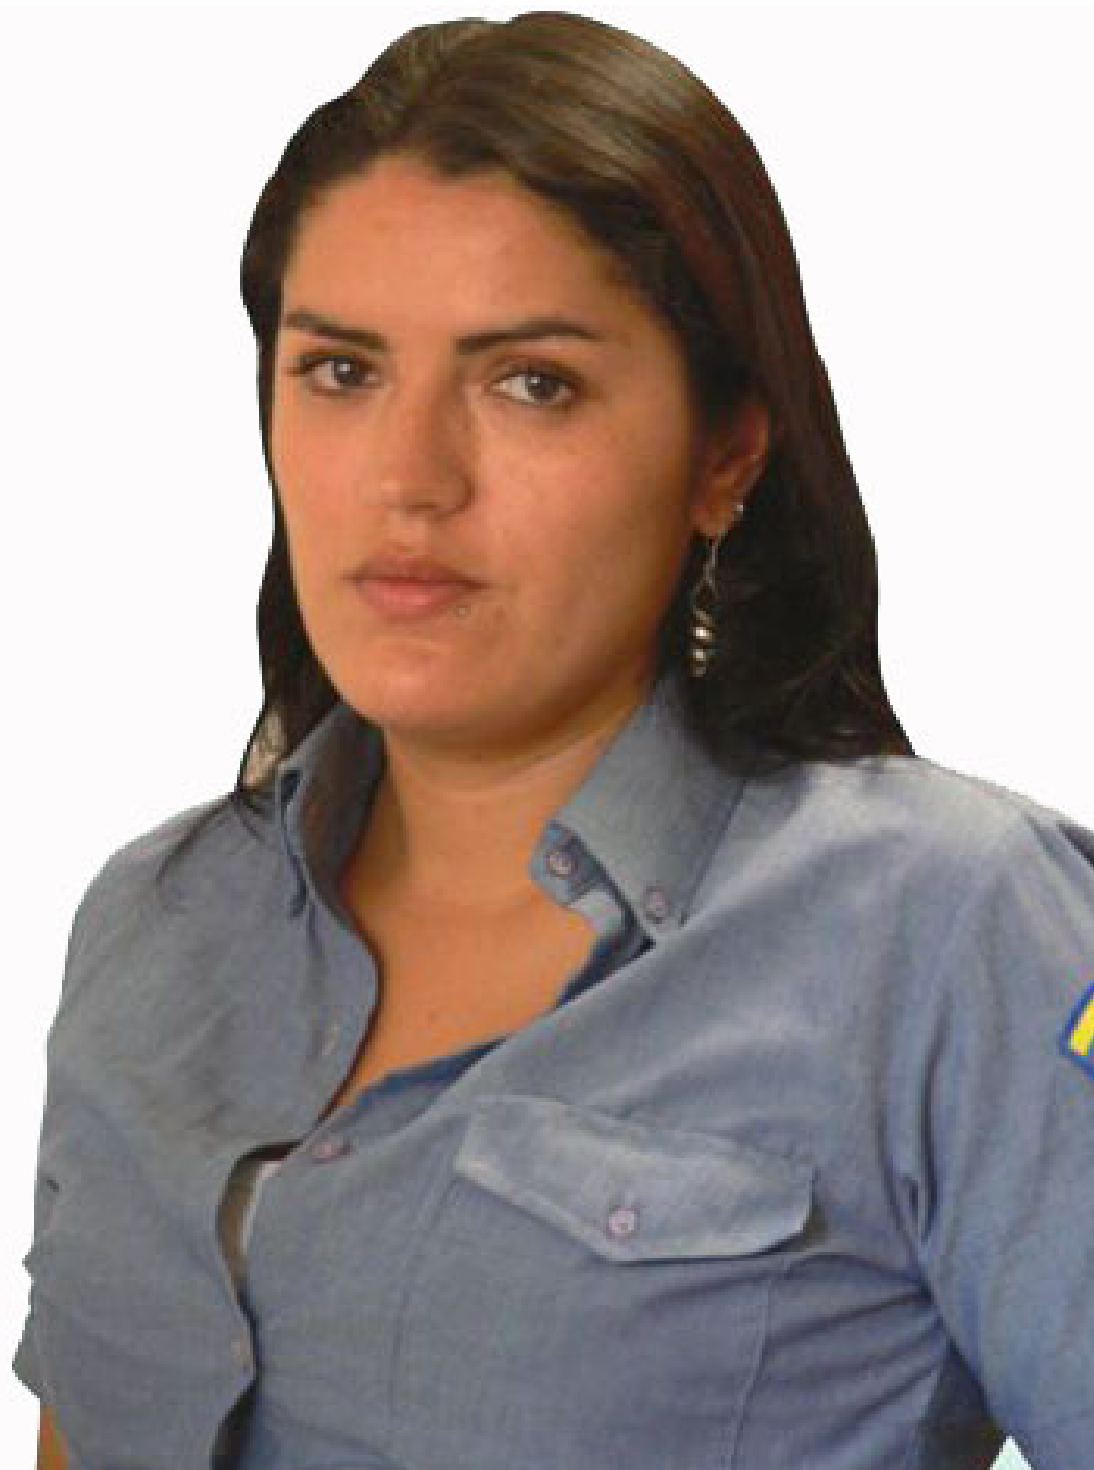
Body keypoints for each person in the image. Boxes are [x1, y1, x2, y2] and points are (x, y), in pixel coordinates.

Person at [14, 11, 1093, 1470]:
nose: (409, 479)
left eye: (531, 381)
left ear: (726, 453)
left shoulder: (955, 926)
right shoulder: (156, 921)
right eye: (341, 371)